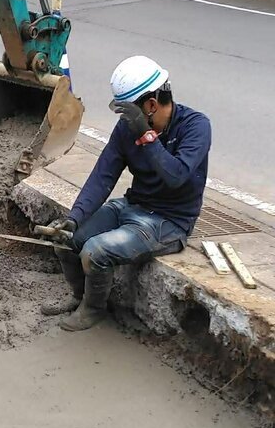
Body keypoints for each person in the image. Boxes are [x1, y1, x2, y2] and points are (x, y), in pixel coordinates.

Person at [39, 55, 211, 332]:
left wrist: (147, 138)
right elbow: (102, 176)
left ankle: (94, 309)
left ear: (151, 105)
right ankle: (79, 297)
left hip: (168, 222)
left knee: (96, 251)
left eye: (127, 113)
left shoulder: (196, 127)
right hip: (132, 206)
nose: (124, 121)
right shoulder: (127, 129)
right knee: (66, 238)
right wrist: (74, 217)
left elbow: (176, 176)